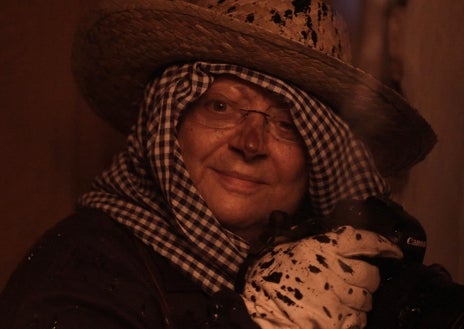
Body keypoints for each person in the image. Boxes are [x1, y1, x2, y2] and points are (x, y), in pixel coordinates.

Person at [0, 0, 437, 328]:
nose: (250, 144)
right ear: (167, 125)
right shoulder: (77, 274)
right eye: (221, 107)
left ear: (319, 156)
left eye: (287, 124)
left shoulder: (338, 277)